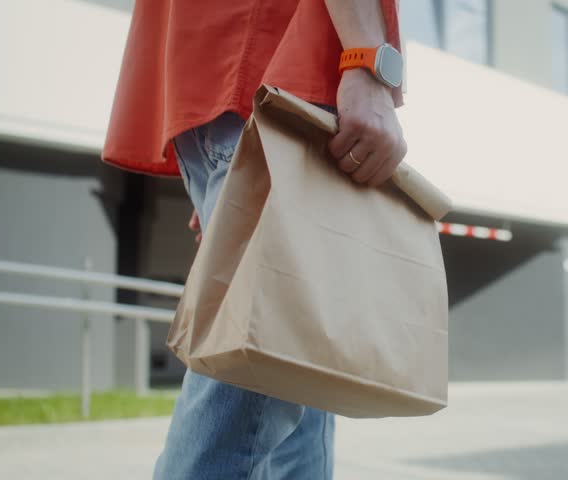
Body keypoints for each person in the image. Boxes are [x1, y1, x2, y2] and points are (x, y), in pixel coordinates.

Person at [102, 1, 407, 478]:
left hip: (218, 81)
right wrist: (368, 59)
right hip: (278, 72)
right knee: (240, 415)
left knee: (296, 390)